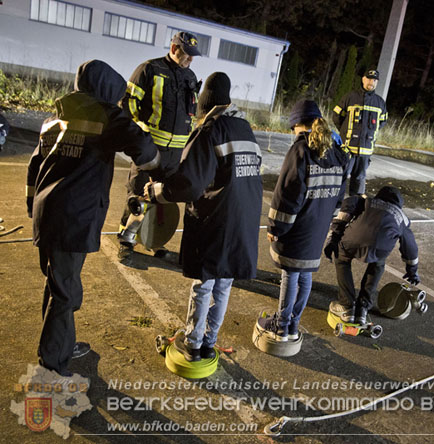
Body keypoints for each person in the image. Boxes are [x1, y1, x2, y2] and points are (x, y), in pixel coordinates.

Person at [26, 60, 161, 376]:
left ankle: (59, 345)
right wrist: (156, 165)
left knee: (59, 285)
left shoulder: (55, 119)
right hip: (73, 220)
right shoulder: (106, 116)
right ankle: (52, 368)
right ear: (105, 92)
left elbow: (34, 170)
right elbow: (143, 147)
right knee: (64, 293)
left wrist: (33, 207)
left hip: (47, 216)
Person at [144, 73, 263, 361]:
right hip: (244, 220)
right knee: (224, 284)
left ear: (204, 102)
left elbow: (191, 184)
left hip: (216, 220)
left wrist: (158, 192)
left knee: (204, 284)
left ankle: (193, 343)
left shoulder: (211, 130)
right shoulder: (245, 129)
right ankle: (209, 341)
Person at [258, 100, 348, 342]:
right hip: (318, 227)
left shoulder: (300, 151)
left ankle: (281, 326)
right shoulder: (336, 152)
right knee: (305, 274)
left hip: (298, 226)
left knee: (290, 274)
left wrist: (276, 227)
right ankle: (293, 324)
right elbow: (339, 195)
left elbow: (287, 193)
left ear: (297, 124)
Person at [118, 31, 201, 258]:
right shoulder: (149, 69)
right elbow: (128, 104)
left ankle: (155, 240)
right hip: (150, 149)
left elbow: (191, 113)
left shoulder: (190, 77)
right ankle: (127, 238)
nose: (190, 59)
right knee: (138, 193)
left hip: (176, 154)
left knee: (164, 197)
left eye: (193, 56)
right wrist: (140, 135)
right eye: (187, 54)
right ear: (174, 49)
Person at [325, 186, 420, 325]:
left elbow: (346, 208)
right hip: (380, 249)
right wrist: (412, 271)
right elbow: (410, 246)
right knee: (377, 265)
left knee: (342, 260)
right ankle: (363, 308)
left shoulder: (366, 201)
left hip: (353, 240)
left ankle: (347, 306)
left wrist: (334, 238)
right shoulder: (402, 218)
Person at [333, 69, 388, 196]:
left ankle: (353, 208)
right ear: (363, 79)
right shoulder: (350, 97)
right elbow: (336, 116)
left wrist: (369, 134)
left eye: (374, 80)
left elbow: (382, 122)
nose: (371, 82)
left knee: (359, 180)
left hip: (365, 151)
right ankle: (334, 205)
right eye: (369, 79)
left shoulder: (380, 103)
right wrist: (344, 131)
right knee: (341, 177)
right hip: (348, 149)